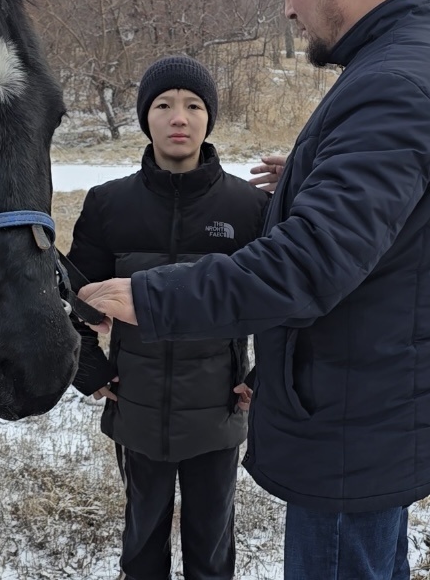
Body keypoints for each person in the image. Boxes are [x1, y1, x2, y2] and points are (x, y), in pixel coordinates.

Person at [80, 0, 430, 579]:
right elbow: (386, 213)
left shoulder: (395, 87)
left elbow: (309, 264)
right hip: (373, 408)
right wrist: (310, 172)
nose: (289, 8)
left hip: (353, 423)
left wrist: (153, 297)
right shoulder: (412, 62)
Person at [66, 55, 269, 580]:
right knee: (141, 544)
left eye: (194, 105)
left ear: (209, 119)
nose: (179, 117)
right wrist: (87, 368)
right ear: (145, 117)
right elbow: (74, 299)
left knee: (211, 547)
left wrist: (260, 378)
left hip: (218, 414)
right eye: (163, 105)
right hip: (137, 410)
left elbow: (282, 302)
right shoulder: (109, 205)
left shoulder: (248, 208)